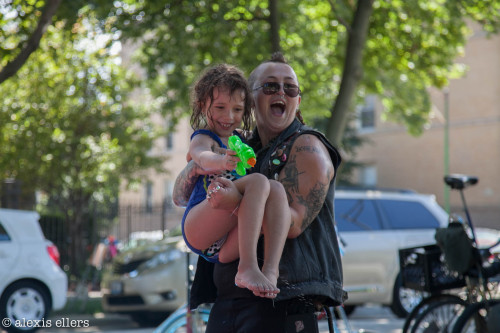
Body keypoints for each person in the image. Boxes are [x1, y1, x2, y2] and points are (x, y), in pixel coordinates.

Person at [173, 53, 346, 332]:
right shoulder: (237, 145)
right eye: (270, 86)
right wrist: (199, 165)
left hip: (282, 303)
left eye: (290, 88)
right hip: (228, 301)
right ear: (250, 100)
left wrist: (235, 200)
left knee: (269, 187)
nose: (281, 92)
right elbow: (181, 196)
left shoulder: (308, 147)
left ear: (297, 100)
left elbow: (293, 223)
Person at [180, 63, 291, 298]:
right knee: (258, 182)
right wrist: (222, 162)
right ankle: (247, 267)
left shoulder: (241, 141)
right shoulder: (204, 137)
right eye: (220, 107)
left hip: (226, 244)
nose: (228, 117)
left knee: (276, 190)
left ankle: (270, 271)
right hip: (199, 226)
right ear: (202, 106)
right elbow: (202, 157)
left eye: (238, 109)